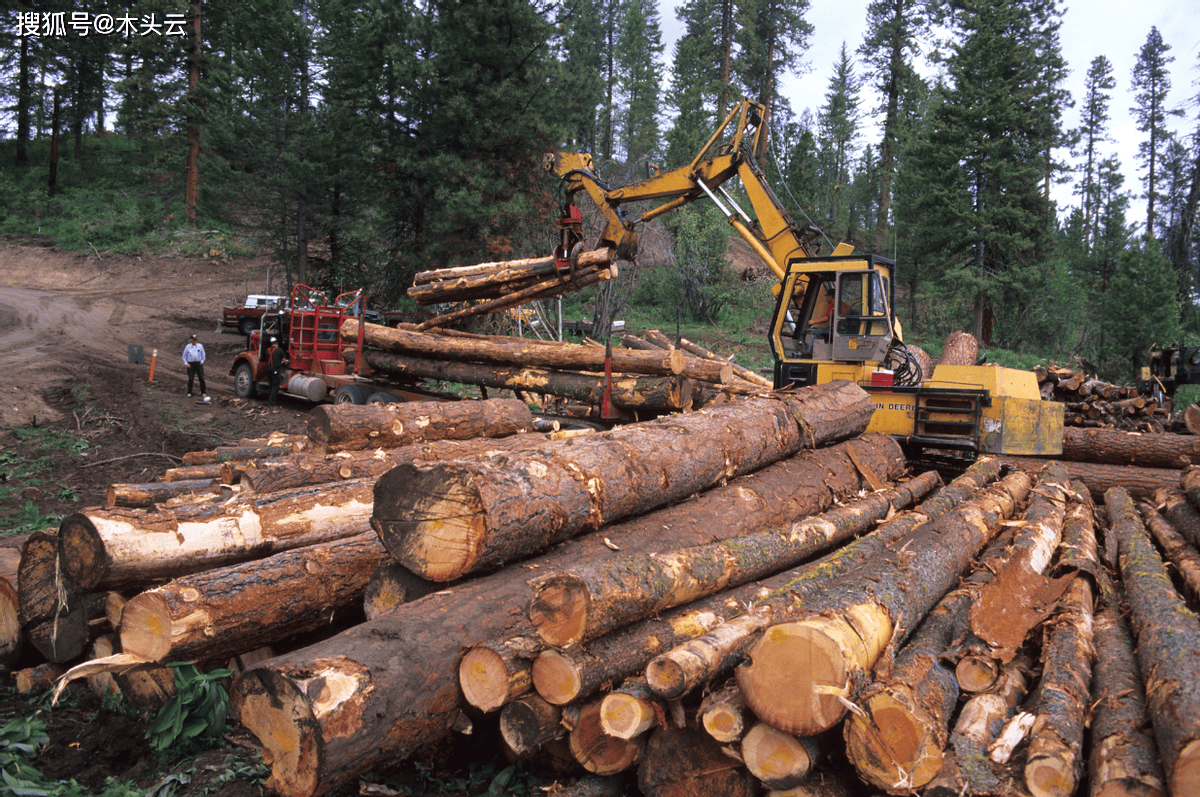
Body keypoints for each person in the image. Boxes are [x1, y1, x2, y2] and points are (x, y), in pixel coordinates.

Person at [266, 337, 289, 406]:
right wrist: (287, 361)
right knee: (275, 386)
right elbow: (285, 361)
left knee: (270, 384)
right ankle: (271, 402)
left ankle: (269, 399)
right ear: (276, 343)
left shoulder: (267, 350)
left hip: (269, 369)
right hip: (275, 370)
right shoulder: (280, 350)